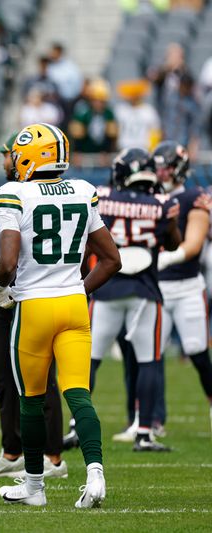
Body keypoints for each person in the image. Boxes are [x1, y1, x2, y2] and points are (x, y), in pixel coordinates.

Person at [0, 123, 121, 507]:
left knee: (31, 400)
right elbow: (112, 260)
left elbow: (7, 262)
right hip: (74, 306)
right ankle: (95, 476)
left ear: (34, 155)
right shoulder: (83, 191)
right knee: (78, 395)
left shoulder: (13, 192)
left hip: (34, 306)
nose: (13, 160)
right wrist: (77, 289)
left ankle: (34, 487)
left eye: (18, 153)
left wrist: (1, 289)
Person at [0, 132, 67, 479]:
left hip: (37, 294)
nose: (3, 162)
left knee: (41, 377)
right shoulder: (15, 192)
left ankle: (53, 456)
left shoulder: (37, 192)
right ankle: (13, 449)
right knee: (3, 374)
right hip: (12, 295)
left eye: (9, 154)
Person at [89, 147, 181, 452]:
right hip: (145, 289)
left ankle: (78, 426)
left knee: (88, 360)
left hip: (106, 288)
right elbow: (172, 243)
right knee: (149, 361)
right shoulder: (163, 204)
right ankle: (144, 431)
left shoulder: (102, 197)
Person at [153, 142, 212, 430]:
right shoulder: (150, 197)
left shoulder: (194, 196)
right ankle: (151, 419)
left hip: (188, 286)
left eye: (165, 166)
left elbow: (194, 243)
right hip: (157, 289)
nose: (160, 172)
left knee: (197, 351)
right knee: (150, 356)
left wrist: (167, 258)